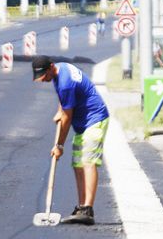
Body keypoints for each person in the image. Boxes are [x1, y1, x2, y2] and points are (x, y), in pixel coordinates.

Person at [32, 56, 109, 225]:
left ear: (51, 67)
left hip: (94, 119)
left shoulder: (66, 81)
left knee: (88, 162)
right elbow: (64, 99)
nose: (43, 80)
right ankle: (82, 207)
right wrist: (60, 109)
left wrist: (59, 145)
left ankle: (88, 209)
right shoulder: (60, 69)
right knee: (77, 164)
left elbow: (67, 117)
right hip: (83, 124)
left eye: (44, 76)